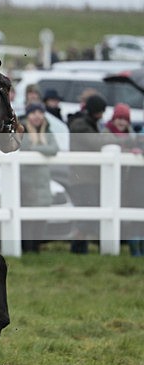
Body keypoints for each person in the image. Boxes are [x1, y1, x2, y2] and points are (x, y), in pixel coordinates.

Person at [68, 94, 112, 253]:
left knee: (88, 216)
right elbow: (97, 143)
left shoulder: (90, 124)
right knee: (86, 216)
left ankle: (80, 249)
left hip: (88, 178)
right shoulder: (81, 125)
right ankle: (77, 247)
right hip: (82, 179)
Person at [102, 103, 144, 256]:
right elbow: (108, 145)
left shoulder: (133, 134)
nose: (122, 122)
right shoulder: (106, 132)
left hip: (130, 182)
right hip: (112, 182)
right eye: (119, 118)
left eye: (125, 119)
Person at [19, 103, 59, 253]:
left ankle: (36, 250)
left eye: (40, 112)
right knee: (28, 220)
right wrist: (42, 150)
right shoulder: (21, 130)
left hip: (42, 182)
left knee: (41, 218)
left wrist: (35, 149)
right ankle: (28, 250)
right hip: (27, 183)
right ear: (28, 115)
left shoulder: (47, 131)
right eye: (33, 112)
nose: (37, 115)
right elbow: (21, 149)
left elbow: (54, 149)